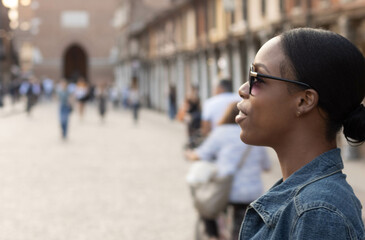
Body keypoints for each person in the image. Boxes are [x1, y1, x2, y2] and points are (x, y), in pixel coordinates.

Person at [236, 28, 365, 239]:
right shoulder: (305, 201)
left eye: (257, 78)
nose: (243, 89)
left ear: (304, 101)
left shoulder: (317, 212)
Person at [186, 102, 271, 240]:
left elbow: (201, 154)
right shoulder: (257, 133)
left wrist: (189, 154)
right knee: (241, 230)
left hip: (227, 190)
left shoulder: (221, 132)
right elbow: (267, 166)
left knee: (205, 207)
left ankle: (213, 236)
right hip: (252, 193)